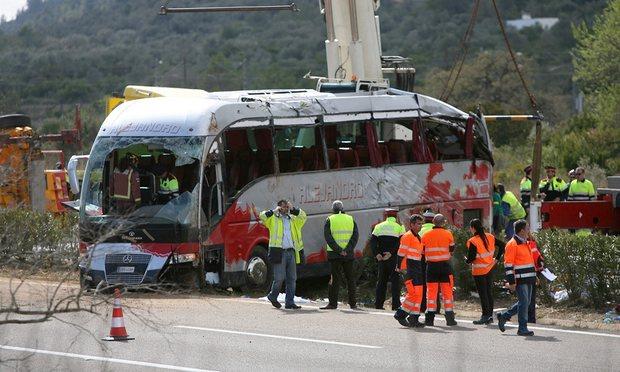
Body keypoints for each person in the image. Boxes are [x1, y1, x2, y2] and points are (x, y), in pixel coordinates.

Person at [259, 199, 307, 310]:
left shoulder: (294, 219)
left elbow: (304, 216)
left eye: (286, 207)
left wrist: (293, 209)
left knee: (292, 279)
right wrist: (274, 211)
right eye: (283, 207)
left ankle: (290, 302)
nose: (285, 209)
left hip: (291, 252)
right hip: (279, 252)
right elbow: (262, 217)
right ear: (279, 207)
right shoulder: (273, 219)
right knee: (279, 278)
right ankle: (273, 296)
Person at [496, 219, 536, 336]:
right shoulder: (512, 244)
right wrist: (511, 282)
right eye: (527, 228)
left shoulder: (525, 242)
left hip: (529, 278)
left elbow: (529, 261)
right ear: (522, 230)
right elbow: (508, 265)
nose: (529, 230)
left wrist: (535, 276)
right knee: (524, 303)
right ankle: (522, 328)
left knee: (525, 303)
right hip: (520, 279)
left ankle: (504, 316)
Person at [465, 218, 505, 324]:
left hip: (479, 271)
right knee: (488, 292)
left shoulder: (473, 241)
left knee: (483, 294)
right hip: (489, 268)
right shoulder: (490, 236)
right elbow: (502, 246)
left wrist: (466, 260)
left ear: (473, 228)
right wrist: (496, 259)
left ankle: (485, 315)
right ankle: (489, 316)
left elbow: (471, 258)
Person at [321, 200, 359, 310]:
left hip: (334, 255)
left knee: (335, 279)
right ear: (342, 208)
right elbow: (355, 236)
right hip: (348, 254)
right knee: (350, 279)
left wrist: (338, 250)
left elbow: (328, 237)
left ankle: (333, 304)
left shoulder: (330, 220)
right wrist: (347, 249)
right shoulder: (350, 219)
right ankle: (353, 303)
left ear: (333, 209)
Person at [421, 214, 457, 326]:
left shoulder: (426, 235)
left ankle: (429, 319)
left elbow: (422, 251)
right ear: (444, 222)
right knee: (447, 292)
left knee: (431, 293)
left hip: (431, 266)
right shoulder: (448, 234)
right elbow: (452, 249)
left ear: (433, 222)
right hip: (445, 266)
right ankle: (450, 318)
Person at [393, 214, 426, 328]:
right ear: (411, 225)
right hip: (408, 268)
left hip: (416, 267)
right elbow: (401, 253)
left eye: (421, 224)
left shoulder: (418, 237)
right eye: (418, 224)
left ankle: (414, 318)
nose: (420, 226)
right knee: (413, 294)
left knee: (419, 294)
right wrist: (399, 267)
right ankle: (401, 314)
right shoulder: (407, 236)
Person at [370, 209, 406, 310]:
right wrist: (391, 253)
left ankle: (378, 304)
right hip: (393, 258)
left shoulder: (378, 226)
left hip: (381, 258)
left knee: (381, 281)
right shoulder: (400, 227)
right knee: (395, 282)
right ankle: (395, 305)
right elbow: (401, 243)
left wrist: (377, 254)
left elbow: (372, 241)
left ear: (386, 216)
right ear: (395, 216)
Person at [526, 233, 544, 323]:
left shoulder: (523, 244)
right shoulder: (533, 243)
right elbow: (538, 259)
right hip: (534, 272)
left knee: (525, 297)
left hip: (526, 273)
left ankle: (528, 318)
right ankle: (531, 318)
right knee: (531, 297)